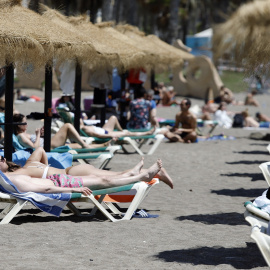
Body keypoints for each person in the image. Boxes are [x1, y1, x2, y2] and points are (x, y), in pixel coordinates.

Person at [0, 147, 173, 190]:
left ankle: (146, 173)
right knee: (117, 176)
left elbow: (40, 149)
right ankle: (156, 174)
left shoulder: (22, 170)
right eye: (1, 159)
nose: (4, 158)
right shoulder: (28, 165)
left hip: (72, 173)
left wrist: (46, 171)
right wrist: (46, 168)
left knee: (116, 177)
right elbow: (40, 150)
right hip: (72, 171)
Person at [13, 113, 111, 150]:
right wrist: (38, 135)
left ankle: (102, 146)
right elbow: (35, 147)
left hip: (49, 143)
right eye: (24, 123)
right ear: (18, 125)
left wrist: (41, 135)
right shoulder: (21, 136)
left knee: (78, 146)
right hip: (50, 146)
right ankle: (85, 144)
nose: (27, 124)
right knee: (67, 126)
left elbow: (35, 143)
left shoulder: (23, 134)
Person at [81, 114, 155, 139]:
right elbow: (98, 135)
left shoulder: (84, 126)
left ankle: (121, 130)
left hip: (104, 130)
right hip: (107, 133)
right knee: (127, 133)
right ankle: (146, 133)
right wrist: (111, 135)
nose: (81, 119)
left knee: (113, 118)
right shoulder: (84, 129)